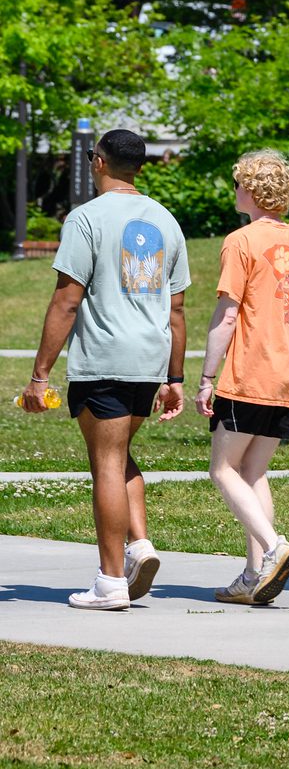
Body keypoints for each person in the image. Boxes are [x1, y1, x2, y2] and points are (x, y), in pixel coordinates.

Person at [23, 128, 188, 610]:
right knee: (119, 454)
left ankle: (111, 581)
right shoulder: (166, 220)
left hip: (105, 358)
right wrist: (174, 378)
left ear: (98, 162)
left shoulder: (86, 218)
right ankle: (139, 547)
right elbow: (177, 310)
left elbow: (66, 301)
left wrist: (39, 375)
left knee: (107, 464)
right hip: (150, 358)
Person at [196, 151, 289, 605]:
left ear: (249, 189)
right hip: (287, 376)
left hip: (248, 372)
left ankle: (273, 548)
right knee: (254, 470)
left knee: (222, 469)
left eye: (237, 184)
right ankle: (253, 577)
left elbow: (228, 314)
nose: (235, 191)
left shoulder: (240, 240)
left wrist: (207, 377)